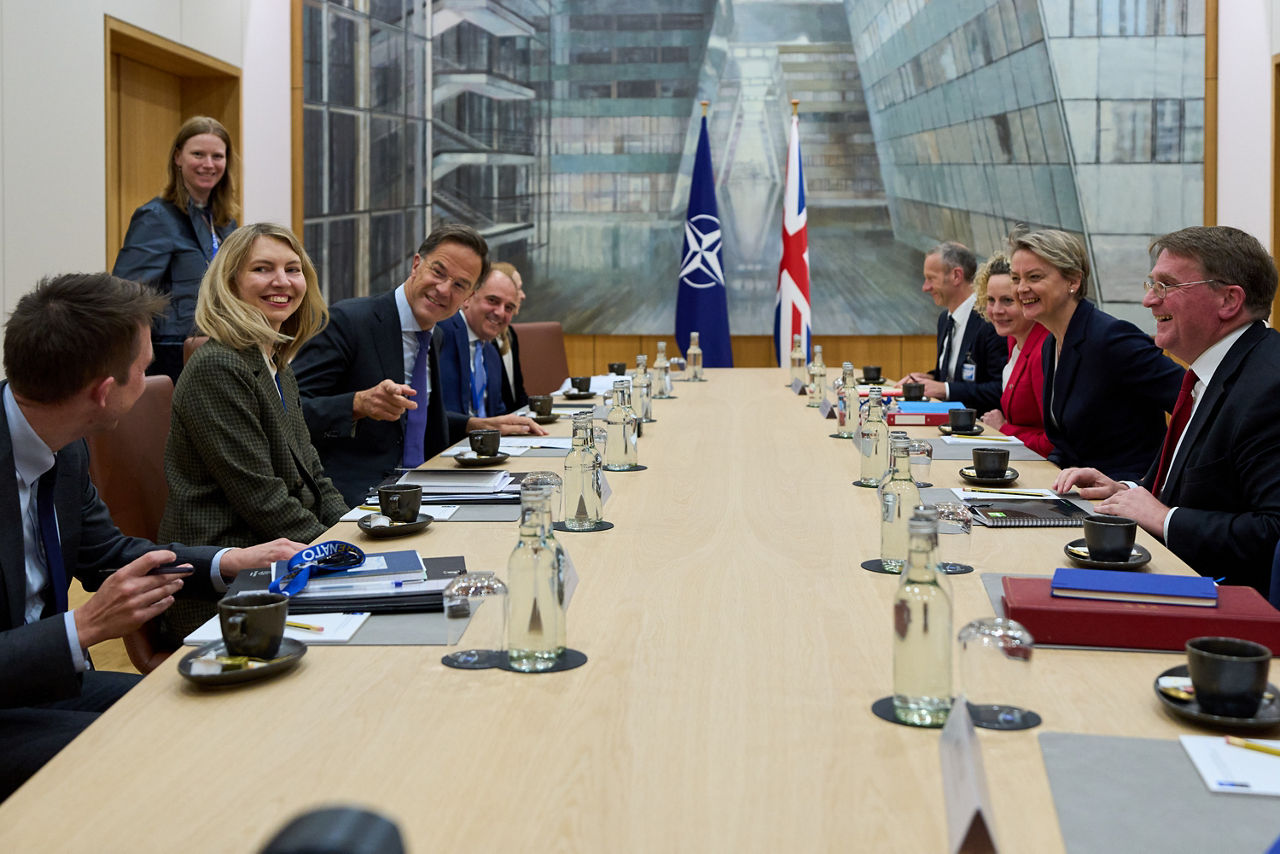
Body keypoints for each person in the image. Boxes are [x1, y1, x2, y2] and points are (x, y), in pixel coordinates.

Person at [0, 273, 302, 800]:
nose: (151, 377)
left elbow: (110, 556)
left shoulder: (62, 442)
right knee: (156, 756)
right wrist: (85, 625)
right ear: (104, 392)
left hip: (46, 685)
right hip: (13, 701)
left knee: (209, 717)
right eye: (143, 369)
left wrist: (230, 561)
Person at [1054, 226, 1280, 595]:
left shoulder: (1270, 385)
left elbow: (1273, 534)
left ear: (1228, 301)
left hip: (1219, 608)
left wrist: (1164, 518)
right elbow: (1197, 494)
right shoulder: (1213, 372)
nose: (1149, 301)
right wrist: (1124, 491)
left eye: (1167, 286)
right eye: (1151, 284)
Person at [158, 224, 349, 641]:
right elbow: (263, 500)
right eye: (263, 269)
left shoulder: (275, 361)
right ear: (230, 283)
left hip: (282, 559)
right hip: (230, 589)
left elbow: (314, 473)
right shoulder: (219, 367)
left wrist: (350, 531)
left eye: (292, 269)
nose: (282, 281)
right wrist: (339, 553)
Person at [293, 225, 546, 506]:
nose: (443, 289)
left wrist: (475, 424)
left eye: (460, 285)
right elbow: (289, 412)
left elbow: (412, 419)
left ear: (468, 297)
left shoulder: (433, 336)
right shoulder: (349, 321)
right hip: (353, 497)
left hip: (423, 489)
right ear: (416, 264)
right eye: (438, 272)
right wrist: (357, 404)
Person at [1011, 228, 1183, 480]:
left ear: (1073, 281)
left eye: (1034, 277)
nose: (1021, 289)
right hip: (1077, 491)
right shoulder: (1051, 343)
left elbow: (1192, 402)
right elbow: (1067, 441)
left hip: (1124, 497)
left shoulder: (1112, 338)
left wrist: (1139, 485)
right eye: (1016, 279)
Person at [112, 116, 239, 383]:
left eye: (217, 156)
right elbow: (127, 295)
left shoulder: (225, 222)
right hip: (172, 356)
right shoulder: (156, 217)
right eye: (198, 154)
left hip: (220, 347)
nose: (208, 164)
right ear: (178, 158)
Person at [897, 241, 1004, 413]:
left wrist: (944, 389)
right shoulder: (944, 319)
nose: (925, 288)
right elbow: (954, 375)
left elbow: (1000, 389)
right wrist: (928, 379)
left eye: (931, 278)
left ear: (956, 276)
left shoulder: (990, 320)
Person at [974, 254, 1053, 456]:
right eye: (991, 300)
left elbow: (1052, 441)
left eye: (1008, 300)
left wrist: (1004, 428)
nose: (997, 310)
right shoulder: (1013, 341)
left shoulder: (1043, 350)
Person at [436, 264, 524, 419]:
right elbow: (429, 414)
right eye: (492, 300)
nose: (500, 313)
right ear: (468, 298)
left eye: (509, 308)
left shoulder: (491, 354)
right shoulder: (440, 334)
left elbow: (498, 415)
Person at [492, 262, 529, 413]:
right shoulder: (486, 341)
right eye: (518, 289)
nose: (523, 295)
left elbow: (519, 391)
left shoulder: (510, 334)